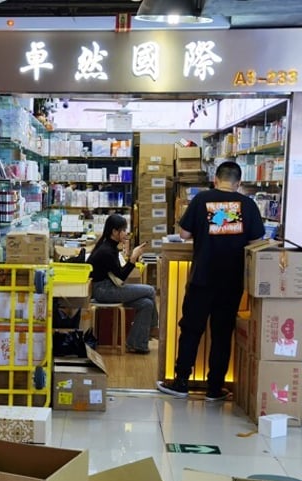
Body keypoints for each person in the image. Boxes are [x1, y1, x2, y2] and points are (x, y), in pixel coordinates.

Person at [157, 161, 265, 400]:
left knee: (191, 329)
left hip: (202, 278)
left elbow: (184, 234)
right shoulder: (248, 204)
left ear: (216, 179)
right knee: (222, 333)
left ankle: (182, 382)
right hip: (231, 282)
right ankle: (214, 388)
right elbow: (258, 241)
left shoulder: (201, 199)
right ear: (238, 183)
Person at [88, 213, 158, 354]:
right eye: (123, 230)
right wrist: (133, 258)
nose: (126, 233)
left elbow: (118, 274)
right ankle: (154, 329)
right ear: (114, 232)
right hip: (104, 291)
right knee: (150, 290)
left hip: (108, 288)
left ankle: (137, 344)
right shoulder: (107, 250)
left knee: (147, 304)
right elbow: (121, 277)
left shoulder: (109, 246)